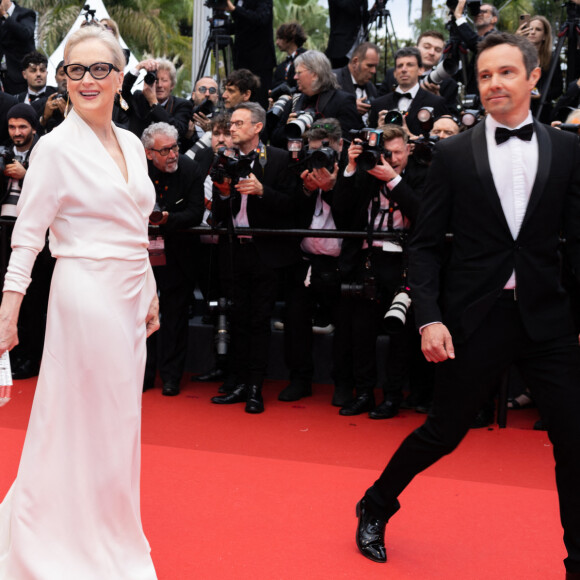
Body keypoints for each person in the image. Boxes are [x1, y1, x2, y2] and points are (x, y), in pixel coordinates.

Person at [353, 33, 580, 579]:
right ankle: (376, 504)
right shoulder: (455, 154)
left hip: (547, 317)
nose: (494, 83)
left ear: (532, 77)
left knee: (574, 441)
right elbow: (426, 245)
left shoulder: (569, 149)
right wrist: (429, 317)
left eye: (505, 72)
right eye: (484, 76)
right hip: (475, 318)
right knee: (444, 432)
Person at [0, 25, 160, 579]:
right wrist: (8, 310)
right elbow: (28, 235)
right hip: (85, 292)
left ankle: (106, 528)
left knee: (118, 423)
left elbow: (135, 224)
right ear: (63, 78)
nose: (87, 80)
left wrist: (151, 287)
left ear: (120, 76)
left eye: (99, 69)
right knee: (81, 420)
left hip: (130, 293)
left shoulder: (135, 143)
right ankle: (64, 539)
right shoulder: (55, 147)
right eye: (75, 70)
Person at [210, 102, 301, 413]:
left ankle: (255, 388)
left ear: (257, 127)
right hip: (235, 251)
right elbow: (219, 216)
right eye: (230, 124)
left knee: (258, 321)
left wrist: (263, 192)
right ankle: (236, 382)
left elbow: (294, 207)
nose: (231, 129)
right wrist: (222, 194)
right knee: (236, 318)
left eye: (237, 123)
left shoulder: (278, 159)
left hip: (266, 254)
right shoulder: (225, 160)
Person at [331, 124, 426, 413]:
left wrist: (395, 180)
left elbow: (424, 214)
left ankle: (393, 396)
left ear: (408, 149)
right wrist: (349, 167)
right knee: (362, 332)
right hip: (367, 261)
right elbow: (342, 215)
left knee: (400, 334)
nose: (392, 158)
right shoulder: (365, 172)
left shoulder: (423, 174)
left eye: (398, 152)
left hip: (404, 264)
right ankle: (363, 394)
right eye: (387, 153)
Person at [280, 118, 344, 402]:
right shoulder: (301, 172)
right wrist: (307, 189)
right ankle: (299, 379)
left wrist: (331, 188)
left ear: (340, 147)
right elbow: (292, 210)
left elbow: (351, 214)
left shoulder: (355, 172)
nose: (319, 159)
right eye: (314, 151)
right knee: (295, 321)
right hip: (305, 261)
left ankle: (343, 384)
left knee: (346, 327)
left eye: (325, 151)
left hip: (341, 263)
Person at [142, 122, 204, 396]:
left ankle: (171, 377)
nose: (172, 154)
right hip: (141, 255)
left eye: (175, 147)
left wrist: (167, 221)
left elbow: (196, 212)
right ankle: (143, 374)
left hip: (179, 254)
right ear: (148, 153)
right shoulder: (137, 172)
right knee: (141, 316)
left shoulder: (190, 169)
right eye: (164, 150)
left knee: (176, 318)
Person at [271, 50, 363, 148]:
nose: (295, 77)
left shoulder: (342, 102)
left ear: (315, 74)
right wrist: (288, 129)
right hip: (296, 162)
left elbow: (347, 142)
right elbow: (274, 140)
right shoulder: (294, 101)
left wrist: (314, 133)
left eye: (299, 72)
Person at [368, 47, 447, 136]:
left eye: (410, 65)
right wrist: (378, 130)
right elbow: (371, 142)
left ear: (421, 70)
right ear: (394, 73)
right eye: (400, 66)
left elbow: (441, 141)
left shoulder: (436, 103)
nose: (404, 69)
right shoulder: (378, 104)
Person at [122, 57, 193, 139]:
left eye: (164, 80)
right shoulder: (139, 97)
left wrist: (154, 102)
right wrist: (139, 66)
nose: (159, 85)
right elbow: (120, 92)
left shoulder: (182, 105)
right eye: (155, 79)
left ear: (172, 85)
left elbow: (178, 131)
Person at [226, 0, 276, 109]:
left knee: (258, 101)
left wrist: (235, 9)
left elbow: (261, 18)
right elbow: (242, 25)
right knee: (241, 98)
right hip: (241, 60)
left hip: (259, 60)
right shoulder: (239, 1)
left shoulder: (263, 3)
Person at [516, 15, 563, 122]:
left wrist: (542, 96)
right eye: (530, 28)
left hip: (543, 111)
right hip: (520, 109)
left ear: (544, 36)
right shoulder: (518, 54)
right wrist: (516, 40)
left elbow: (558, 89)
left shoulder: (552, 58)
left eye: (538, 29)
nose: (532, 32)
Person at [333, 42, 380, 126]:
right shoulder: (333, 79)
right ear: (355, 62)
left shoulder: (371, 87)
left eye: (375, 66)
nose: (374, 71)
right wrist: (350, 107)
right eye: (369, 65)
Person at [0, 0, 35, 95]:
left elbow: (25, 34)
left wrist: (5, 15)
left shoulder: (25, 14)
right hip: (4, 77)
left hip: (21, 75)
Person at [325, 0, 368, 69]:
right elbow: (350, 7)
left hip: (359, 47)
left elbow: (364, 19)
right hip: (341, 49)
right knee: (339, 77)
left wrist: (375, 8)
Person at [273, 21, 308, 90]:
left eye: (280, 38)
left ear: (291, 38)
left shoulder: (307, 58)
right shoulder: (281, 67)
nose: (277, 42)